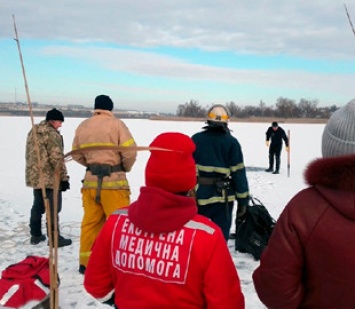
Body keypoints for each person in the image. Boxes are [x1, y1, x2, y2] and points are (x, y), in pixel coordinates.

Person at [84, 132, 245, 309]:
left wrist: (121, 300)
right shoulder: (207, 236)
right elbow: (228, 302)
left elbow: (95, 284)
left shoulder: (116, 222)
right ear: (190, 180)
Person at [253, 99, 355, 308]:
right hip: (272, 148)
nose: (273, 127)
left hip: (279, 148)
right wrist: (266, 140)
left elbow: (274, 286)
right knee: (272, 158)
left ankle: (276, 166)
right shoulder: (270, 131)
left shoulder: (305, 209)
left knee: (277, 158)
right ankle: (273, 167)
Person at [72, 94, 137, 275]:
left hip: (90, 183)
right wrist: (123, 167)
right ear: (110, 108)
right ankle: (119, 263)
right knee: (119, 224)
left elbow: (76, 153)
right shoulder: (117, 125)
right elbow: (130, 151)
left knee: (90, 223)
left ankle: (85, 263)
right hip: (114, 184)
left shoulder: (83, 126)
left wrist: (92, 165)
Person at [191, 104, 250, 241]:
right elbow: (238, 173)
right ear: (226, 121)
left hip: (199, 195)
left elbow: (186, 168)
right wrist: (243, 201)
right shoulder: (232, 142)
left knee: (197, 235)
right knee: (220, 238)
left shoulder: (196, 139)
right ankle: (218, 260)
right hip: (223, 198)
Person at [25, 108, 72, 247]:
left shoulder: (33, 131)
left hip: (36, 176)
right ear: (52, 121)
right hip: (50, 178)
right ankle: (54, 238)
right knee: (53, 208)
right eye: (59, 122)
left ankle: (36, 235)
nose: (61, 125)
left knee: (38, 206)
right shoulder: (52, 134)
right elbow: (56, 159)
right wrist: (64, 178)